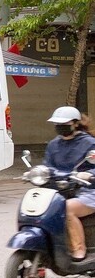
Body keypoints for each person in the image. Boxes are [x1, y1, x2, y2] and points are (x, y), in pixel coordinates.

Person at [44, 106, 95, 261]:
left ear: (75, 123)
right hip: (61, 190)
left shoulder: (89, 143)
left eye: (64, 123)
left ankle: (79, 249)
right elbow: (48, 166)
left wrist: (89, 174)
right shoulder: (53, 144)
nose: (60, 127)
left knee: (67, 209)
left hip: (88, 191)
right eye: (57, 123)